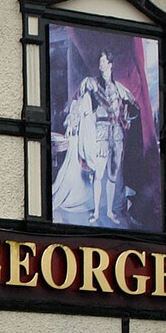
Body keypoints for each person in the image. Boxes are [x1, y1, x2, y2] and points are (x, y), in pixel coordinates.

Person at [52, 48, 138, 226]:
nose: (101, 64)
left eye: (104, 61)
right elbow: (77, 101)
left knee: (113, 173)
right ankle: (97, 212)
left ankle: (109, 212)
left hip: (117, 133)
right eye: (100, 61)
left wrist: (127, 115)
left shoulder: (120, 89)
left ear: (110, 64)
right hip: (100, 131)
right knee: (98, 174)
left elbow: (133, 109)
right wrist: (72, 122)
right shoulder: (91, 84)